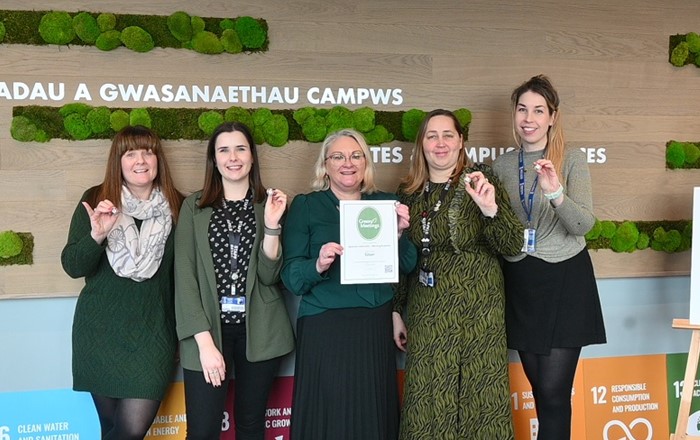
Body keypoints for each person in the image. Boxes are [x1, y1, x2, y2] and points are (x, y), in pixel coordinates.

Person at [393, 109, 524, 439]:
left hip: (478, 312)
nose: (440, 143)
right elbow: (400, 259)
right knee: (428, 401)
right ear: (421, 144)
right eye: (432, 136)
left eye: (448, 135)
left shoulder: (480, 180)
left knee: (480, 401)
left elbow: (512, 244)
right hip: (428, 313)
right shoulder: (408, 192)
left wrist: (490, 210)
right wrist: (396, 310)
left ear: (461, 141)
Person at [281, 128, 417, 440]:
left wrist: (396, 236)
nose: (348, 163)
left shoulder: (386, 205)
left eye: (356, 156)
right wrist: (318, 264)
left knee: (372, 418)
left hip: (372, 325)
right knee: (326, 418)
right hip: (324, 326)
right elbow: (291, 277)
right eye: (338, 156)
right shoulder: (306, 206)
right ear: (324, 165)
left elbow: (408, 265)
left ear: (366, 163)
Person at [492, 75, 606, 439]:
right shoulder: (501, 167)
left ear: (552, 116)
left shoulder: (570, 159)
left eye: (538, 110)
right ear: (514, 115)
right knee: (541, 390)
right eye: (523, 109)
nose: (529, 118)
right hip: (521, 282)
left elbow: (582, 224)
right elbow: (501, 232)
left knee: (555, 395)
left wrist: (555, 192)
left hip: (565, 281)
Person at [61, 125, 184, 439]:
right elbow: (73, 266)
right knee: (112, 429)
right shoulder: (97, 199)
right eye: (130, 153)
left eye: (148, 151)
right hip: (100, 333)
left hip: (153, 336)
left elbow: (183, 279)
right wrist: (97, 235)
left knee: (129, 430)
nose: (140, 160)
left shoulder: (178, 206)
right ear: (118, 161)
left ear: (158, 159)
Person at [174, 121, 295, 440]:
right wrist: (205, 344)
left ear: (252, 157)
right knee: (202, 431)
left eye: (240, 148)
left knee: (251, 425)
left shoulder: (270, 204)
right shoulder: (194, 206)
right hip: (207, 330)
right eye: (223, 150)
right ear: (213, 159)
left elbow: (270, 276)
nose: (233, 157)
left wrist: (271, 225)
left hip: (261, 329)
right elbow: (184, 279)